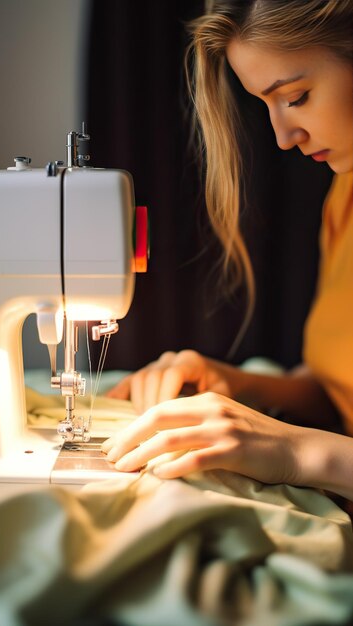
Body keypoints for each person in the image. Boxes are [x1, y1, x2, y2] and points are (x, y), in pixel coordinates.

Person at [101, 0, 353, 501]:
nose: (283, 138)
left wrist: (296, 452)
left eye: (297, 96)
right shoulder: (344, 197)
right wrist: (233, 384)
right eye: (267, 105)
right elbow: (337, 390)